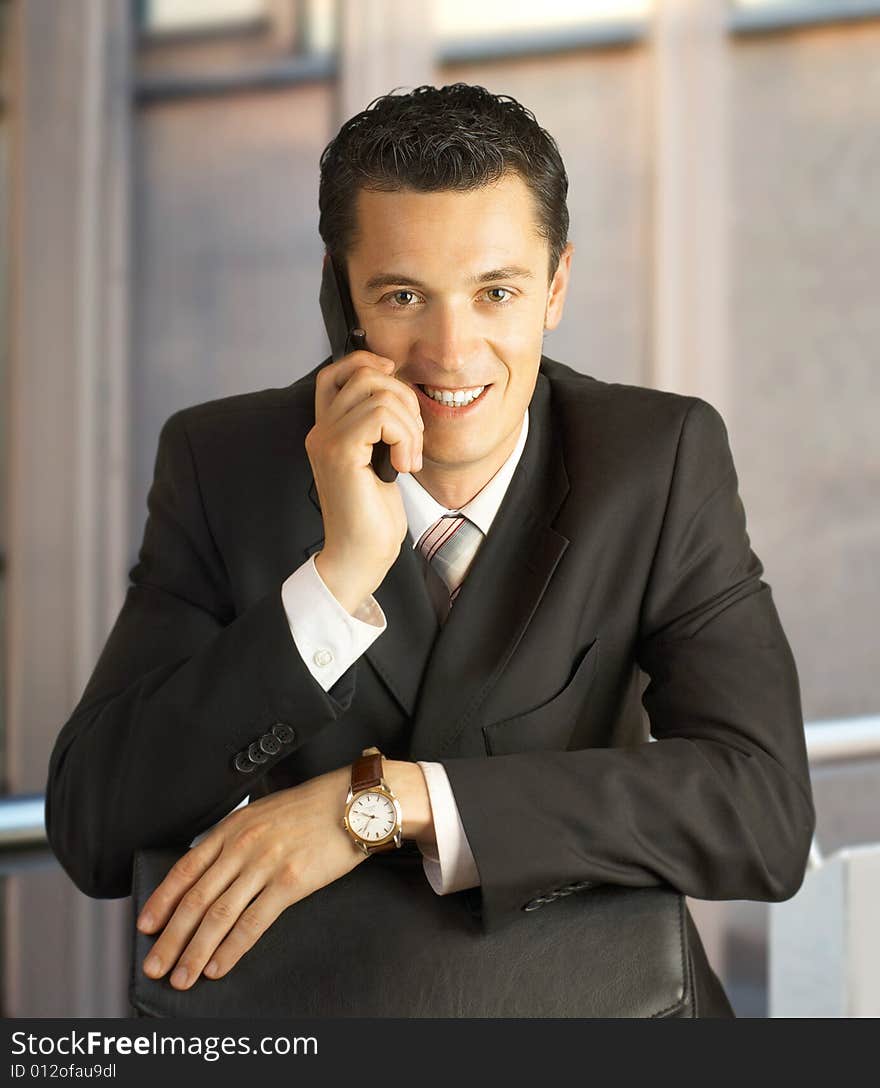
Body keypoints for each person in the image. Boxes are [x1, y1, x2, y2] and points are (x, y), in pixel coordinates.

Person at [45, 83, 815, 1018]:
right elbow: (93, 827)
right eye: (404, 295)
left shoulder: (657, 459)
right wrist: (336, 582)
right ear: (343, 296)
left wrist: (379, 805)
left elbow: (762, 812)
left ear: (557, 285)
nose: (451, 354)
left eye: (498, 291)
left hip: (601, 1006)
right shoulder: (224, 466)